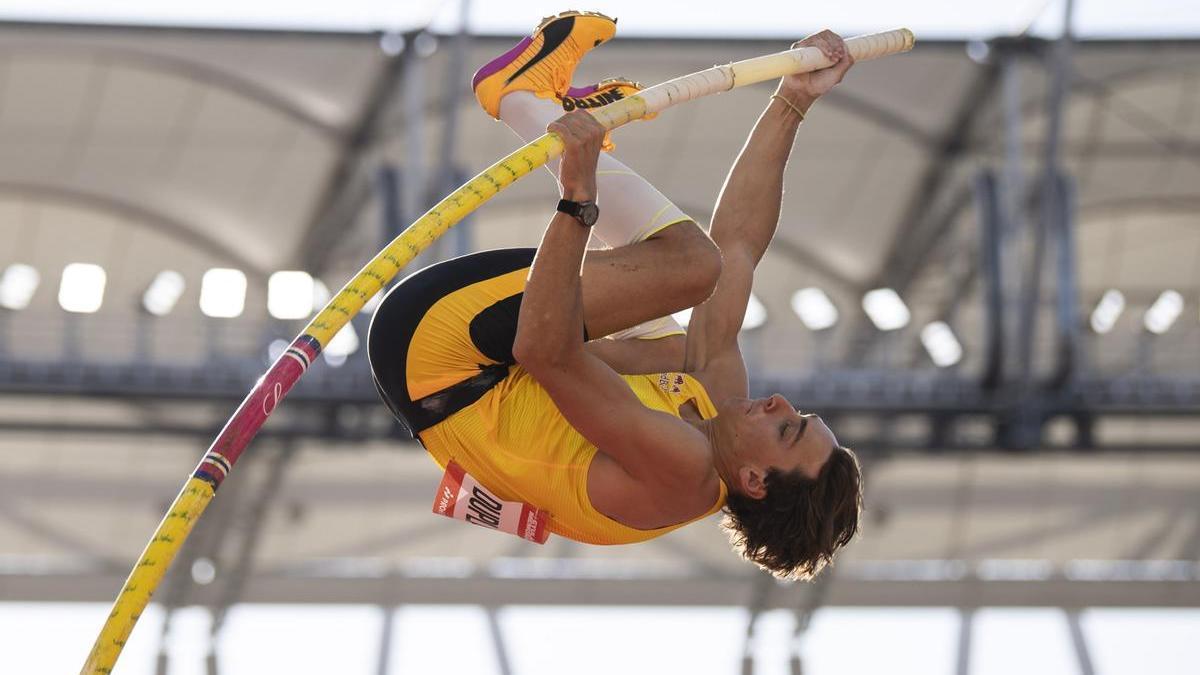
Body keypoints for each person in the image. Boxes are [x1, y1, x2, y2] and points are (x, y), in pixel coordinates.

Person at [369, 11, 862, 580]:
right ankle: (543, 110)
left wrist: (578, 199)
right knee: (693, 310)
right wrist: (793, 101)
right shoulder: (718, 407)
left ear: (754, 480)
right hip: (495, 368)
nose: (779, 403)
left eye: (786, 429)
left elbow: (544, 350)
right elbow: (740, 244)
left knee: (690, 268)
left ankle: (521, 99)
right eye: (798, 413)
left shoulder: (686, 474)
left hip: (438, 358)